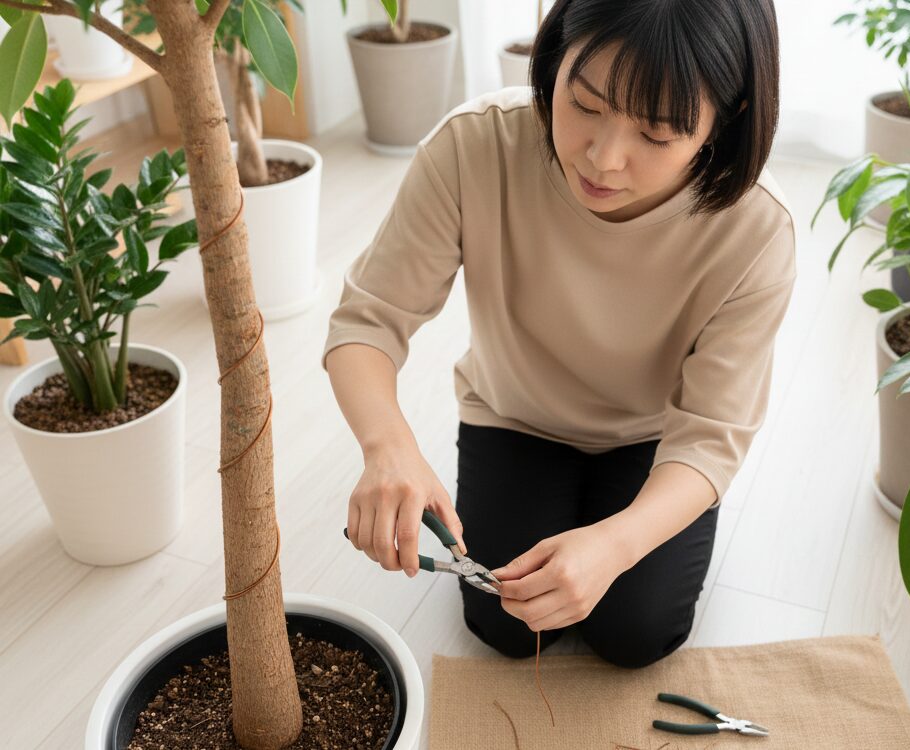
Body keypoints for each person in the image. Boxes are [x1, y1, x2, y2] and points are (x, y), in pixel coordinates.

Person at [323, 0, 795, 669]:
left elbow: (714, 434)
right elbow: (367, 320)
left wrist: (618, 543)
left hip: (654, 442)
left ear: (730, 118)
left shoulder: (755, 228)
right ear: (554, 55)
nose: (604, 158)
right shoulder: (477, 144)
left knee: (638, 634)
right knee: (508, 626)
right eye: (584, 103)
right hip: (515, 418)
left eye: (656, 136)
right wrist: (388, 448)